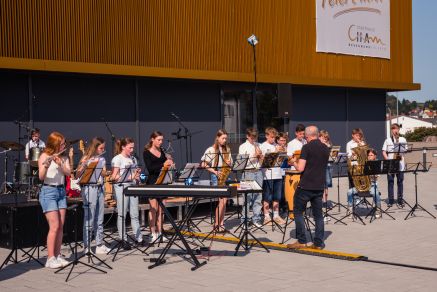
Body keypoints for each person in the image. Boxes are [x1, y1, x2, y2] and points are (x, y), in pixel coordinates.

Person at [287, 125, 330, 250]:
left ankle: (302, 241)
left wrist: (293, 162)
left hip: (305, 186)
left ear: (307, 136)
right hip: (319, 186)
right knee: (318, 215)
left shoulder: (306, 147)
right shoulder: (325, 148)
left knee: (298, 212)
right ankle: (318, 243)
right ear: (317, 134)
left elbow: (300, 168)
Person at [38, 132, 71, 269]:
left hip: (61, 191)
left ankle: (57, 255)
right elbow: (41, 177)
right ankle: (50, 258)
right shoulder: (44, 155)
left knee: (61, 226)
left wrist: (60, 164)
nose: (63, 145)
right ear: (54, 144)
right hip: (48, 191)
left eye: (63, 143)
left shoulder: (63, 157)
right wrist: (46, 164)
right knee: (54, 226)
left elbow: (68, 173)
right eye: (61, 143)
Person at [76, 137, 111, 254]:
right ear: (95, 147)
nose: (103, 150)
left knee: (99, 218)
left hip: (100, 188)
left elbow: (103, 173)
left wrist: (108, 173)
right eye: (101, 148)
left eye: (103, 148)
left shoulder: (101, 159)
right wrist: (85, 165)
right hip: (89, 188)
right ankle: (87, 246)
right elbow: (77, 174)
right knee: (89, 218)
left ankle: (99, 244)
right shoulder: (86, 158)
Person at [111, 138, 143, 249]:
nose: (132, 149)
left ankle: (139, 238)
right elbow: (114, 177)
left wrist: (137, 175)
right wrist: (130, 177)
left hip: (132, 187)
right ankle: (123, 239)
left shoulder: (132, 159)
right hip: (122, 187)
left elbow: (134, 175)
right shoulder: (117, 159)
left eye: (133, 147)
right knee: (122, 214)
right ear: (123, 147)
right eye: (130, 147)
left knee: (135, 214)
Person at [143, 131, 174, 242]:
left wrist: (170, 163)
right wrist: (163, 164)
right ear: (152, 139)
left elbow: (166, 164)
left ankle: (160, 231)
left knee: (161, 210)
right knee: (153, 209)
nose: (161, 142)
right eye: (158, 140)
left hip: (163, 182)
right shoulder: (146, 153)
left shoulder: (162, 151)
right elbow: (150, 168)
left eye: (162, 140)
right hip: (152, 183)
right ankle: (153, 233)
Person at [201, 129, 232, 233]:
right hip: (217, 174)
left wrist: (229, 163)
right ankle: (216, 224)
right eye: (223, 138)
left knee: (224, 201)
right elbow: (203, 164)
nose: (224, 140)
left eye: (226, 138)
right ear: (217, 138)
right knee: (221, 201)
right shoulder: (211, 149)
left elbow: (231, 163)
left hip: (225, 173)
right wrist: (213, 171)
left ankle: (221, 223)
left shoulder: (227, 149)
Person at [260, 127, 286, 225]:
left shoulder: (277, 145)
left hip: (278, 173)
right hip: (267, 174)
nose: (273, 139)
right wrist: (275, 151)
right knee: (267, 196)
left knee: (277, 196)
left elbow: (282, 160)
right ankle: (266, 216)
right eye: (271, 137)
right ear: (267, 136)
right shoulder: (263, 146)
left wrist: (282, 152)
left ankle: (276, 215)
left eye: (274, 137)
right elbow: (262, 161)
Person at [238, 127, 263, 228]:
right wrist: (254, 156)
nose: (254, 140)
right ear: (247, 136)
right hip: (248, 172)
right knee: (247, 197)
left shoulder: (258, 145)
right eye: (252, 137)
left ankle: (256, 219)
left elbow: (261, 162)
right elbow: (242, 163)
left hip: (258, 172)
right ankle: (245, 220)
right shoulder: (243, 147)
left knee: (258, 197)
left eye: (255, 137)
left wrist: (261, 157)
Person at [346, 149, 382, 218]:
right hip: (361, 185)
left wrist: (368, 174)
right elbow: (352, 166)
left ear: (375, 156)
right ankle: (350, 209)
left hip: (371, 185)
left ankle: (378, 209)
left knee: (376, 193)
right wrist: (353, 158)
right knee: (349, 192)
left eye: (371, 155)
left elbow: (377, 176)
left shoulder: (377, 164)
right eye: (368, 155)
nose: (369, 156)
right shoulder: (362, 163)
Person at [382, 123, 407, 207]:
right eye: (393, 129)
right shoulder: (387, 140)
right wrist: (388, 161)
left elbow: (405, 150)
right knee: (390, 182)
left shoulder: (403, 139)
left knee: (400, 182)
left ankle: (400, 200)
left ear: (399, 130)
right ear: (391, 130)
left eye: (396, 129)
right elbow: (384, 151)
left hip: (400, 164)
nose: (395, 130)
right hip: (391, 164)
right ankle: (391, 200)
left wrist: (401, 152)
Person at [319, 130, 333, 222]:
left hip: (328, 166)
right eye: (323, 138)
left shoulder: (328, 145)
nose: (325, 139)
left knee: (327, 185)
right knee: (321, 187)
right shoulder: (318, 145)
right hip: (320, 167)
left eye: (326, 138)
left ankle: (325, 203)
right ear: (319, 137)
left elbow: (332, 156)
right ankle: (321, 205)